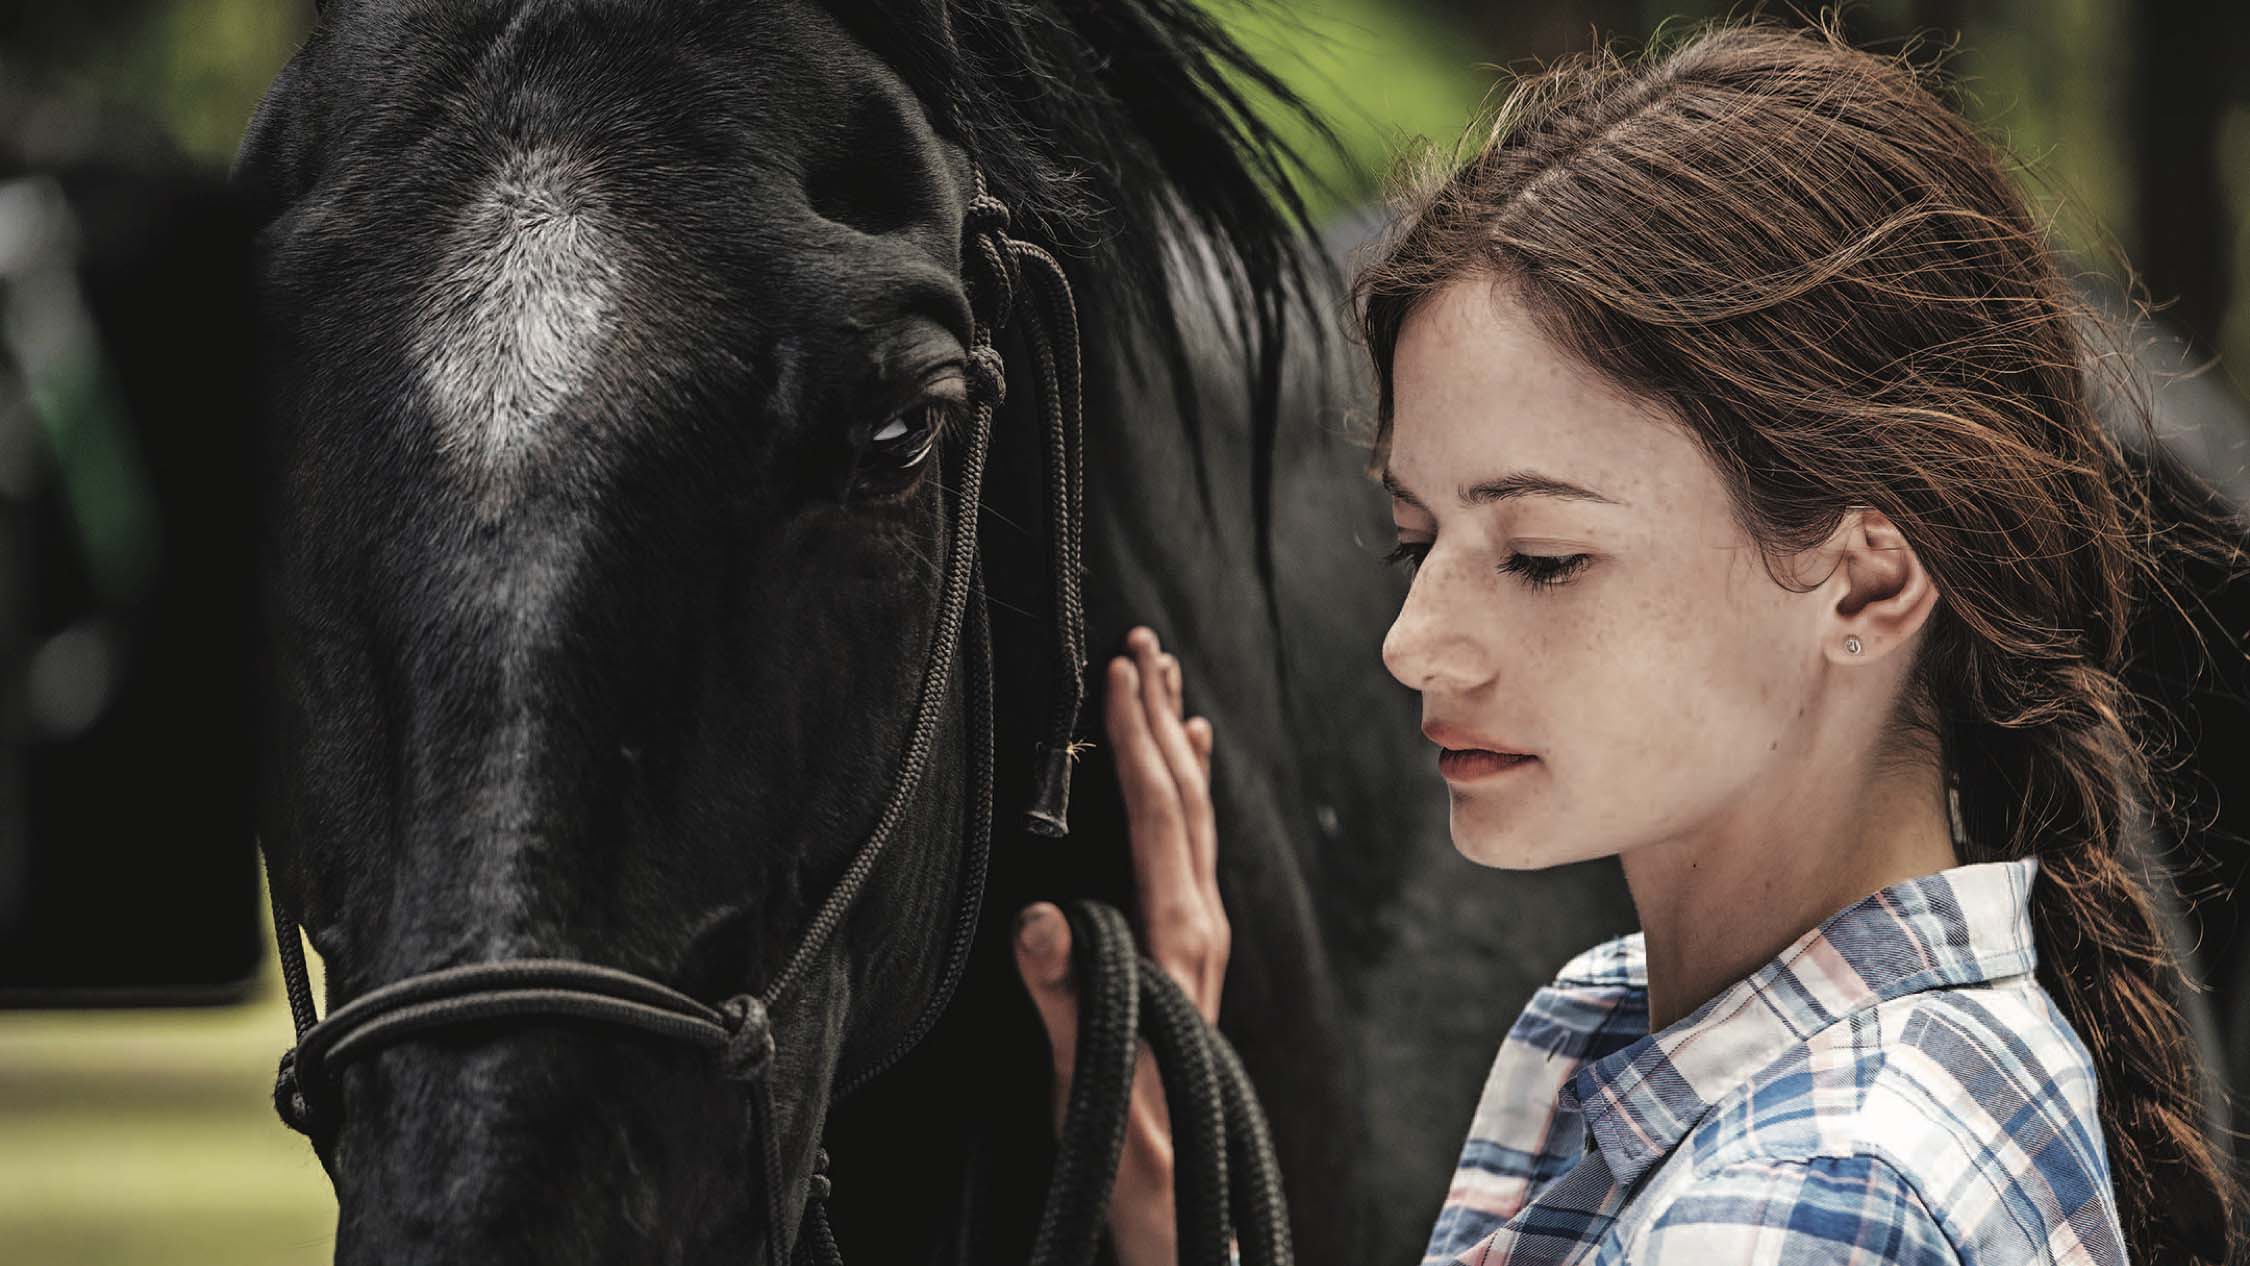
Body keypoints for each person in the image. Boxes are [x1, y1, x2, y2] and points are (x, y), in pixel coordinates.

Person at [1012, 18, 2241, 1266]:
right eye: (1414, 540)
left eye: (1543, 558)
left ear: (1867, 584)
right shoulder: (1663, 1042)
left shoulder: (1802, 1205)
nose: (1412, 643)